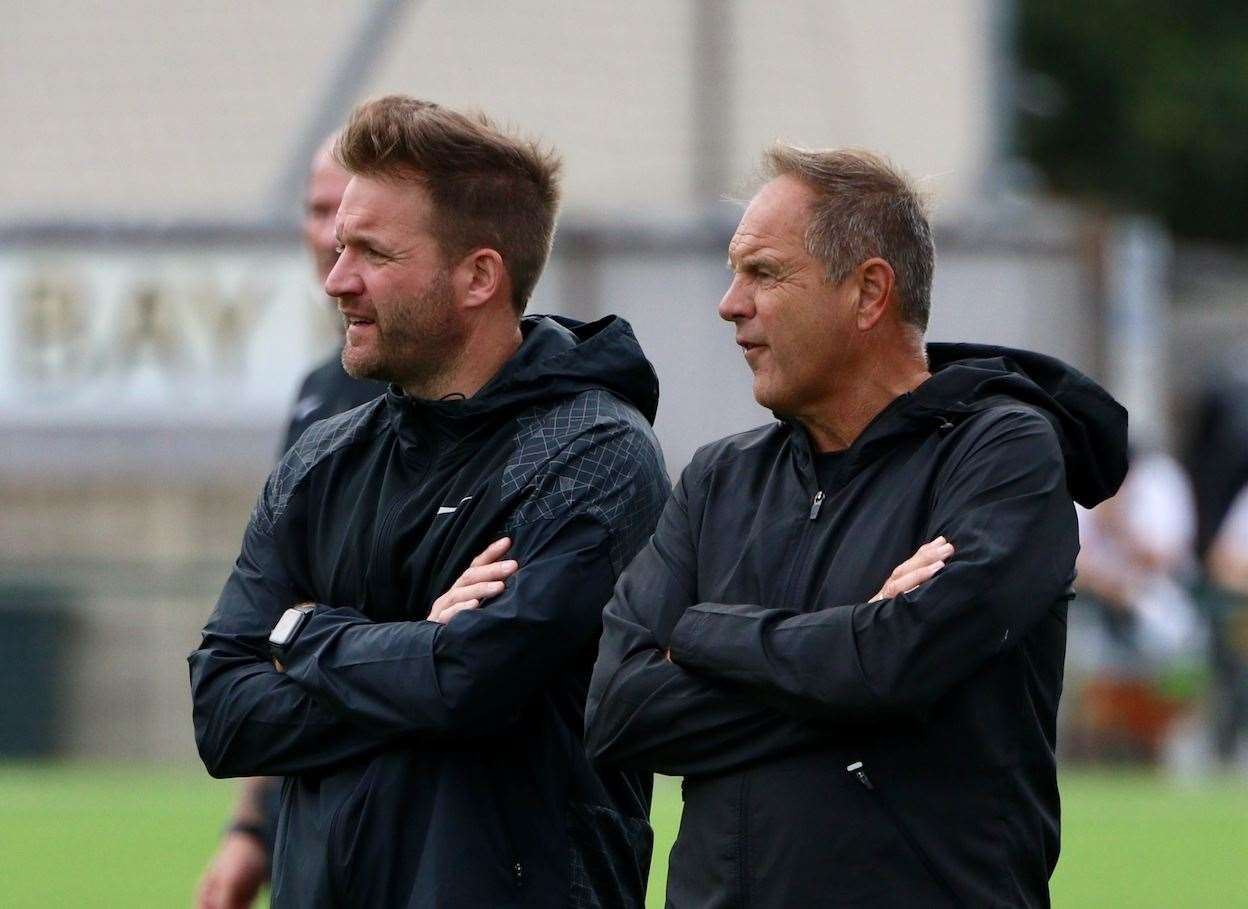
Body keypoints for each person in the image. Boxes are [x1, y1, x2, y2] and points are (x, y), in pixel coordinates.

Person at [584, 146, 1127, 907]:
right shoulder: (718, 478)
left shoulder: (1003, 453)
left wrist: (705, 633)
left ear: (869, 291)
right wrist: (855, 659)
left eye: (764, 273)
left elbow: (897, 662)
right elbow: (617, 712)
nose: (729, 303)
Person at [189, 96, 669, 907]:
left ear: (479, 275)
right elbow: (224, 713)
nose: (337, 280)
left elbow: (471, 681)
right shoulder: (323, 457)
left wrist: (303, 631)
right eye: (340, 246)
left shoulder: (596, 457)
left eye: (372, 253)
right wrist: (409, 646)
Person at [196, 135, 384, 909]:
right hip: (315, 810)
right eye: (313, 212)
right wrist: (253, 829)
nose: (327, 235)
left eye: (344, 214)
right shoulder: (318, 395)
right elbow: (272, 625)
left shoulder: (471, 393)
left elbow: (461, 652)